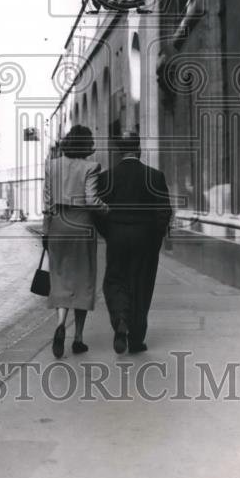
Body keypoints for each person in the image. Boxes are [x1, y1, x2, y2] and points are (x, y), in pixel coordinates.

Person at [97, 132, 172, 354]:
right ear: (138, 150)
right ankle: (136, 339)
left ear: (120, 151)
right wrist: (155, 237)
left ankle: (120, 318)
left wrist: (109, 232)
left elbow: (96, 212)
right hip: (145, 237)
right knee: (141, 284)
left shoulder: (106, 178)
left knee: (115, 280)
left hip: (117, 235)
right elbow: (164, 211)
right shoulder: (155, 176)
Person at [42, 125, 107, 358]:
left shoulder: (52, 165)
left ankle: (60, 324)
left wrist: (46, 231)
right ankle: (78, 338)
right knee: (84, 279)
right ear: (86, 145)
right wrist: (108, 209)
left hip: (58, 224)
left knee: (59, 276)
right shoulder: (91, 167)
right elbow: (91, 200)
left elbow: (47, 203)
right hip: (82, 225)